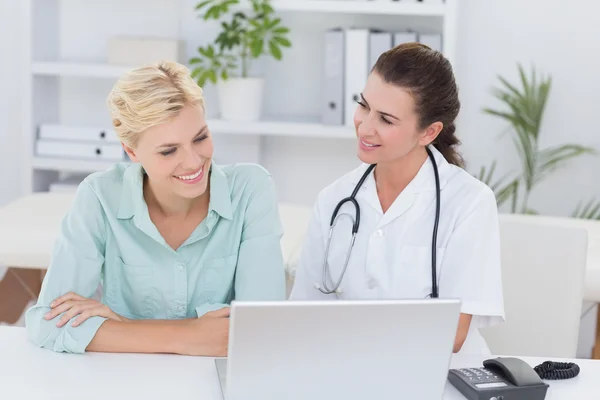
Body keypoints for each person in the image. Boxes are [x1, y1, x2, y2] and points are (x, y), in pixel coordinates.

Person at [25, 61, 286, 356]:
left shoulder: (251, 189)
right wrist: (188, 336)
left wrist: (122, 326)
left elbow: (261, 331)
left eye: (200, 138)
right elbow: (47, 324)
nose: (192, 162)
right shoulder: (100, 197)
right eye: (169, 150)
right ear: (132, 151)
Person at [289, 43, 505, 355]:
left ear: (428, 132)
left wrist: (343, 334)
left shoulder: (469, 203)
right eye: (363, 106)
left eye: (386, 120)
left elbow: (452, 335)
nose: (364, 126)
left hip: (442, 380)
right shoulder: (334, 200)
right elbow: (304, 316)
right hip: (349, 374)